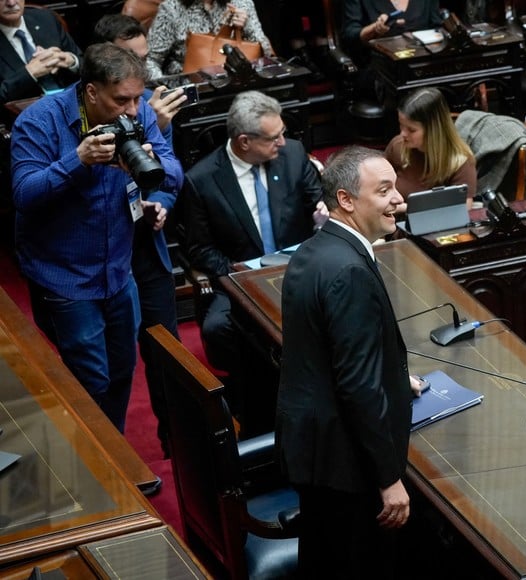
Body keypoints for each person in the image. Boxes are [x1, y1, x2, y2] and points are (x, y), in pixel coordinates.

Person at [12, 42, 183, 433]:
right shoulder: (40, 121)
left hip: (119, 271)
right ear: (91, 91)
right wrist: (79, 160)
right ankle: (96, 459)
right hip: (65, 277)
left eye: (137, 99)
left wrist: (152, 165)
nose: (133, 110)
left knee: (122, 372)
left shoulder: (137, 113)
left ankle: (114, 449)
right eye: (121, 100)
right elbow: (24, 194)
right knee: (90, 381)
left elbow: (173, 173)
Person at [276, 145, 425, 578]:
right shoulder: (350, 271)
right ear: (346, 200)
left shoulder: (313, 250)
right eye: (384, 190)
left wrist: (393, 378)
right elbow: (357, 386)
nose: (398, 199)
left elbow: (326, 352)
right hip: (344, 464)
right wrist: (389, 479)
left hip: (314, 448)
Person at [180, 90, 327, 426]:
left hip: (300, 269)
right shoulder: (202, 180)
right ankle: (257, 399)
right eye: (274, 138)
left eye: (282, 133)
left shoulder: (293, 155)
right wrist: (242, 275)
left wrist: (322, 212)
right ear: (244, 141)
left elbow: (316, 201)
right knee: (218, 328)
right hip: (240, 279)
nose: (282, 143)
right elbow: (199, 249)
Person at [94, 13, 189, 457]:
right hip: (96, 257)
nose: (140, 73)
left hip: (143, 243)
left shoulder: (145, 107)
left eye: (143, 60)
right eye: (128, 60)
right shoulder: (67, 117)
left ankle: (179, 444)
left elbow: (171, 173)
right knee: (108, 367)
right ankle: (110, 457)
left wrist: (161, 202)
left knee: (167, 351)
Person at [384, 86, 476, 203]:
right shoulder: (398, 146)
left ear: (434, 131)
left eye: (411, 130)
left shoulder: (460, 163)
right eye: (401, 125)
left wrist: (407, 208)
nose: (403, 134)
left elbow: (462, 209)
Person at [145, 0, 274, 79]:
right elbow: (150, 60)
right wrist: (167, 89)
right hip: (191, 87)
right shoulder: (172, 8)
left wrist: (247, 26)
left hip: (238, 83)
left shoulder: (241, 3)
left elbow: (268, 55)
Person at [342, 0, 442, 100]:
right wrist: (375, 29)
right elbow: (350, 35)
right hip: (378, 66)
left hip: (422, 65)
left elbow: (437, 27)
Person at [0, 0, 82, 104]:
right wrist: (29, 73)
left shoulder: (45, 18)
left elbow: (87, 64)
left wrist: (72, 61)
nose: (11, 3)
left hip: (73, 100)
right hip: (26, 111)